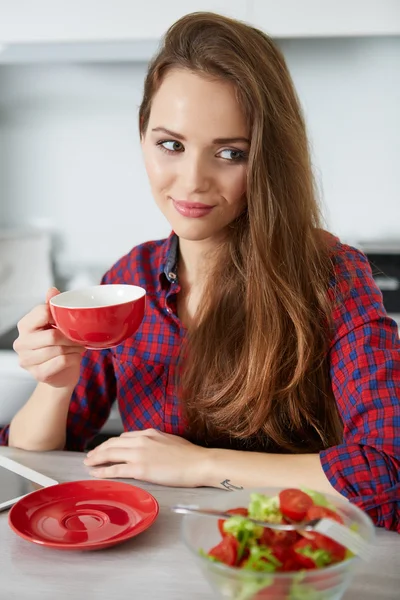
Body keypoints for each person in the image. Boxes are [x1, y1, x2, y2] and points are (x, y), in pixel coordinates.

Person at [0, 11, 399, 533]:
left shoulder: (331, 277)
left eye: (230, 153)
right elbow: (33, 463)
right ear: (142, 136)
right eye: (171, 145)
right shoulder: (132, 277)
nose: (192, 182)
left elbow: (388, 473)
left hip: (280, 567)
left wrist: (201, 466)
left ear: (268, 162)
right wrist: (55, 384)